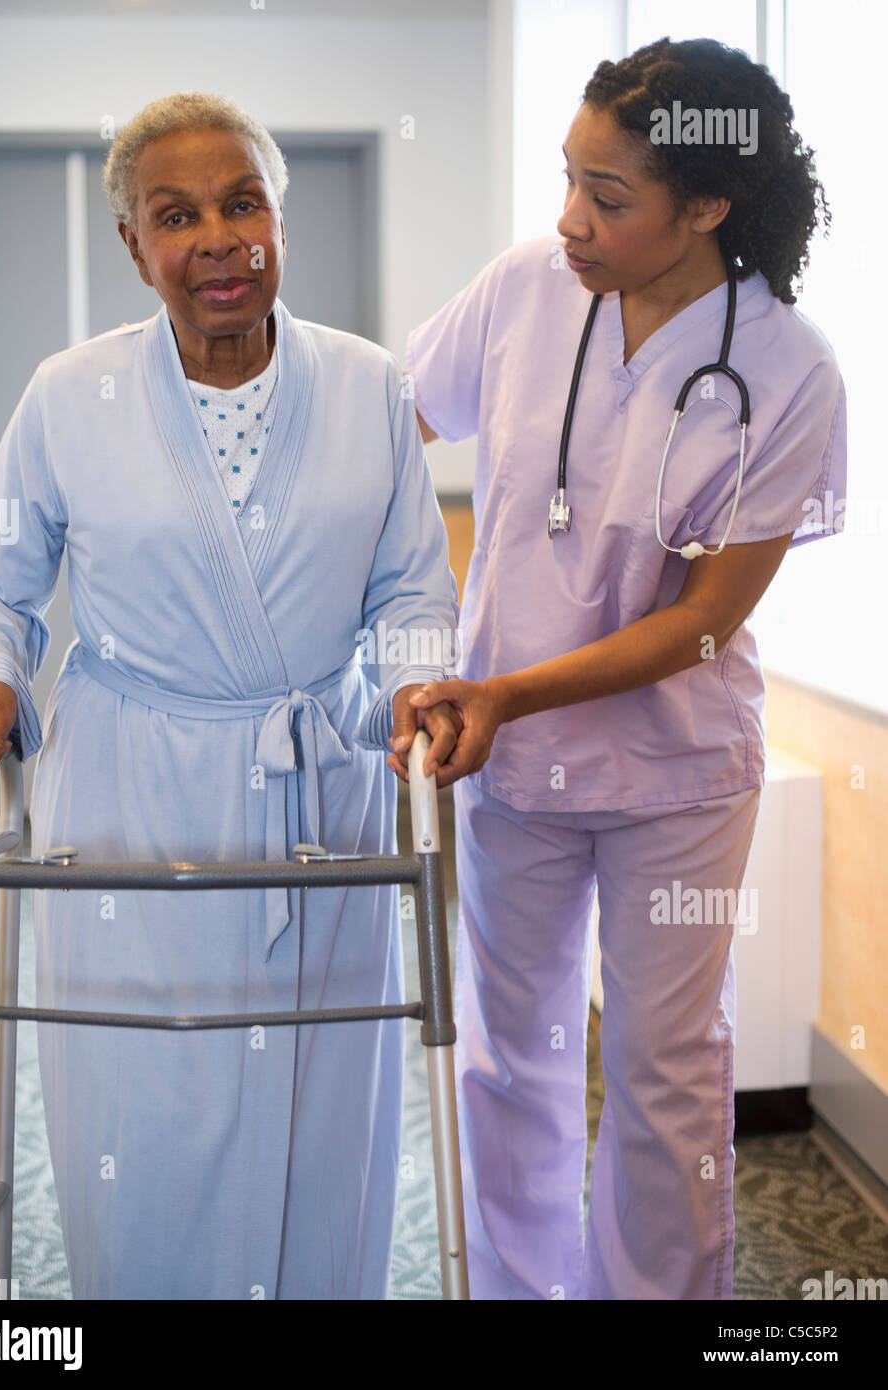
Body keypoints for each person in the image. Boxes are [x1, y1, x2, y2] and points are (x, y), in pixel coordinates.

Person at [0, 91, 461, 1300]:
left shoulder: (371, 386)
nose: (219, 239)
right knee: (147, 1099)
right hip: (134, 792)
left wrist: (417, 685)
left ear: (280, 219)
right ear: (135, 246)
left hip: (317, 790)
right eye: (177, 217)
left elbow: (410, 586)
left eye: (243, 205)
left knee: (320, 1093)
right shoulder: (69, 392)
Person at [398, 38, 847, 1299]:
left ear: (707, 206)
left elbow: (705, 620)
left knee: (665, 1069)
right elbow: (389, 427)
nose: (569, 219)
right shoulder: (524, 289)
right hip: (513, 764)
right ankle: (518, 1290)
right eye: (568, 179)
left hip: (676, 773)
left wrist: (505, 691)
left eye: (608, 196)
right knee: (510, 1056)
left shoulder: (789, 367)